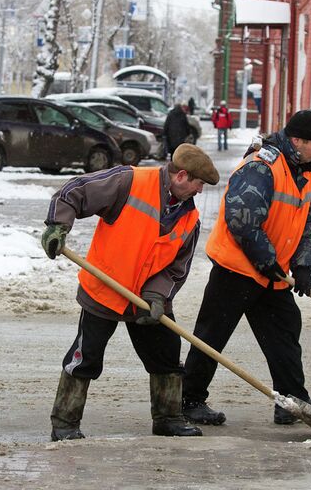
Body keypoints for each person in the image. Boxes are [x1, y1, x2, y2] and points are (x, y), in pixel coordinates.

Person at [41, 143, 220, 441]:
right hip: (105, 289)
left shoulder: (190, 219)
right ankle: (65, 422)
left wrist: (157, 296)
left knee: (166, 354)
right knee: (86, 356)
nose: (200, 191)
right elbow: (75, 190)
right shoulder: (129, 181)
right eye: (199, 183)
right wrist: (58, 226)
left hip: (146, 300)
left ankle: (167, 418)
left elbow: (176, 268)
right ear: (181, 176)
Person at [181, 109, 311, 427]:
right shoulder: (263, 165)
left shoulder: (303, 170)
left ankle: (291, 400)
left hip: (271, 271)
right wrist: (267, 262)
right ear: (297, 140)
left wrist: (303, 265)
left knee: (285, 332)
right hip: (238, 267)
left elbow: (306, 221)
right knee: (212, 334)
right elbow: (242, 220)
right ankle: (189, 399)